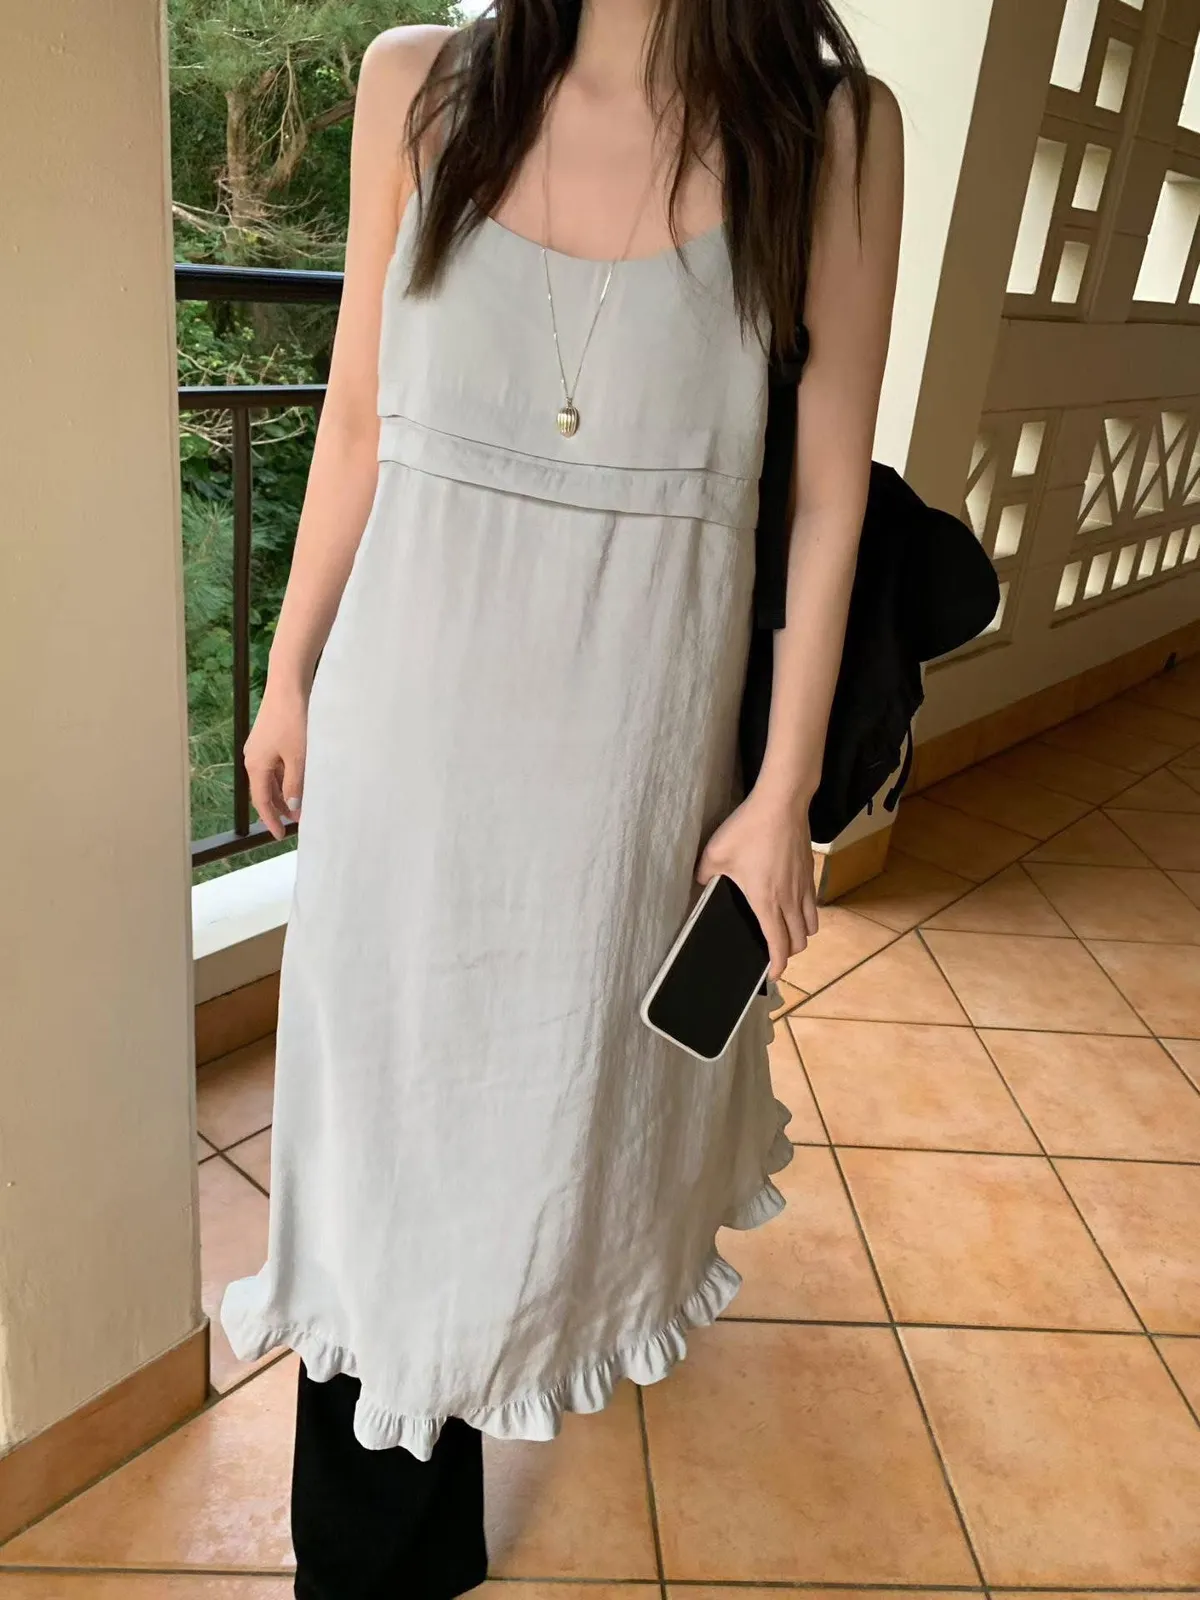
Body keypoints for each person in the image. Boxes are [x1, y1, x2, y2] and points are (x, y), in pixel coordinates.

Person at [219, 0, 904, 1594]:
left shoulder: (832, 137)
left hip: (627, 765)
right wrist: (290, 667)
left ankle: (455, 1442)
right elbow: (356, 419)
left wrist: (785, 789)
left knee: (541, 1119)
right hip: (406, 733)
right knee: (384, 1127)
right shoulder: (417, 85)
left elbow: (826, 497)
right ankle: (370, 1554)